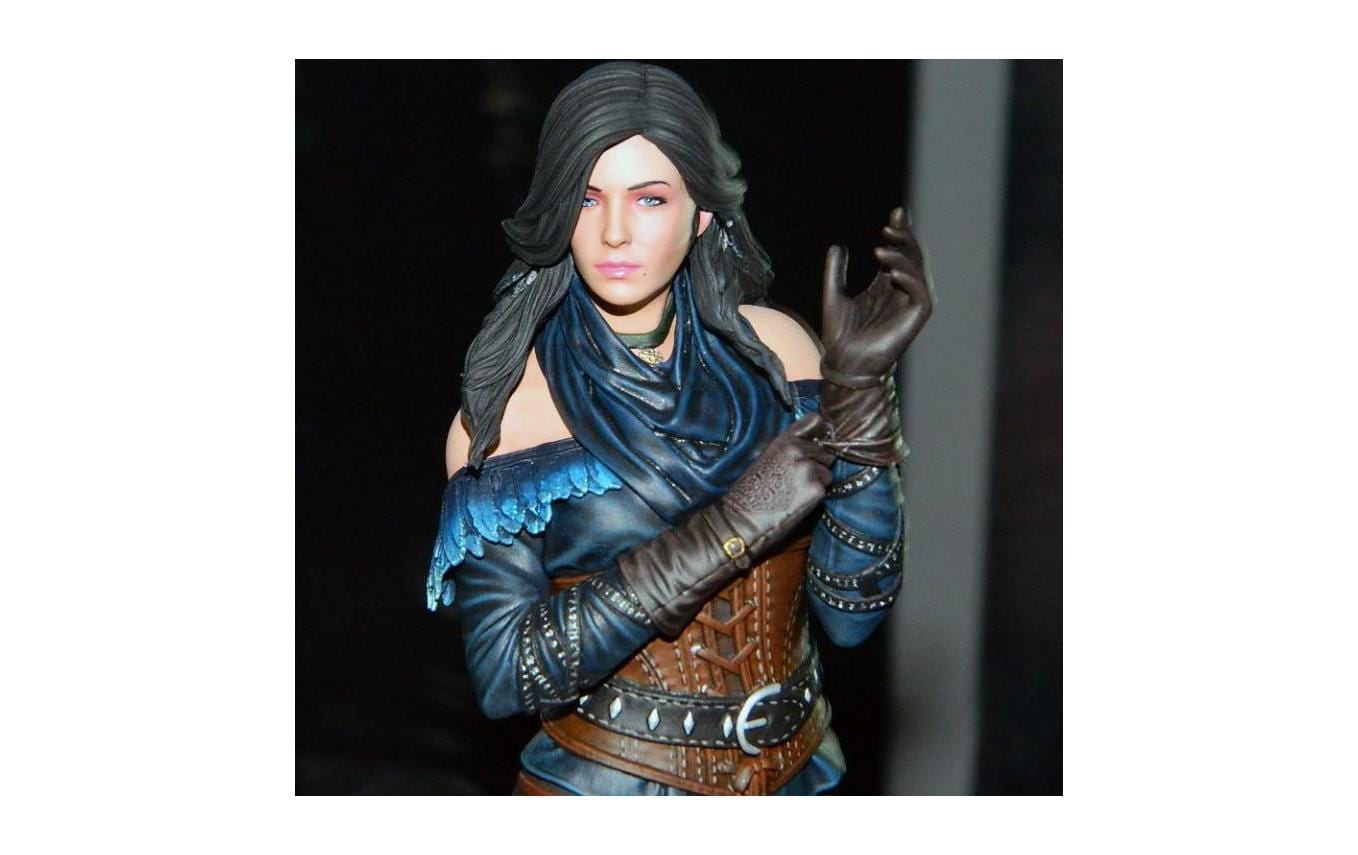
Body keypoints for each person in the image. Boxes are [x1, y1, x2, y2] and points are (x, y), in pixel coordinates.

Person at [426, 61, 931, 795]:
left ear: (701, 215)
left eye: (650, 198)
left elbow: (851, 616)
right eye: (587, 198)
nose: (615, 232)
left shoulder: (780, 355)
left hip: (798, 777)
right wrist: (733, 525)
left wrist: (859, 401)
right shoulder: (511, 414)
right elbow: (505, 675)